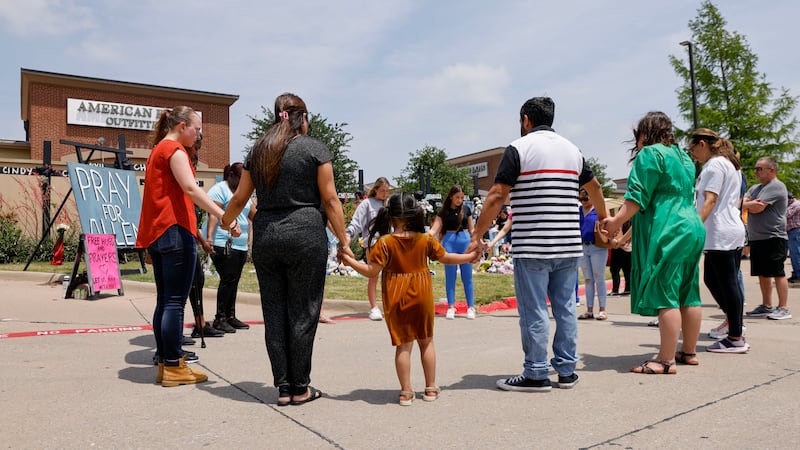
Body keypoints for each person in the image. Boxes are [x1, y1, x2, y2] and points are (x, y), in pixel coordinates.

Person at [468, 96, 608, 391]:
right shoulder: (573, 150)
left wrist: (477, 235)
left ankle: (536, 372)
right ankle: (567, 370)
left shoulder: (519, 149)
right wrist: (604, 220)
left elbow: (495, 195)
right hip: (568, 245)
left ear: (526, 120)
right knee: (566, 307)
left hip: (533, 245)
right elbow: (594, 187)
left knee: (535, 310)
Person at [221, 93, 351, 406]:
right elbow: (331, 200)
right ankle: (300, 387)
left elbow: (239, 199)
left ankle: (283, 388)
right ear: (301, 117)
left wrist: (226, 222)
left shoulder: (259, 150)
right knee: (304, 311)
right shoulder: (314, 148)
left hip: (267, 236)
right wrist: (344, 241)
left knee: (275, 312)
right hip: (306, 233)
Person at [339, 192, 478, 405]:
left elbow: (370, 271)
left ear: (390, 215)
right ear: (415, 214)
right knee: (426, 341)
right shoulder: (425, 240)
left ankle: (406, 392)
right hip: (421, 292)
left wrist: (349, 261)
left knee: (403, 345)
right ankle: (430, 388)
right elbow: (446, 258)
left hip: (396, 295)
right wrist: (469, 257)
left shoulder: (384, 243)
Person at [136, 106, 240, 387]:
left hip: (159, 233)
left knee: (165, 300)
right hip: (173, 232)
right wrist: (225, 217)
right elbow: (192, 190)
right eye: (196, 129)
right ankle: (173, 365)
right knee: (173, 302)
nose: (199, 134)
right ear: (182, 126)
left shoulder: (159, 149)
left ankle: (167, 363)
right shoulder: (175, 150)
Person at [602, 111, 704, 375]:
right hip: (691, 225)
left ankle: (665, 360)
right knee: (688, 292)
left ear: (645, 133)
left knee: (665, 293)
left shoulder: (650, 154)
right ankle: (688, 351)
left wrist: (614, 223)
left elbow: (637, 198)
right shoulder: (685, 157)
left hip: (667, 228)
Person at [689, 129, 748, 354]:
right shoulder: (730, 164)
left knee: (726, 282)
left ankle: (735, 336)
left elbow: (710, 200)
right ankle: (734, 325)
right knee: (716, 279)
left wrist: (694, 226)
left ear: (702, 144)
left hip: (720, 231)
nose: (693, 154)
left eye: (693, 149)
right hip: (730, 228)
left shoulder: (714, 166)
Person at [206, 163, 256, 334]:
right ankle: (219, 318)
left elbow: (253, 214)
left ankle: (230, 316)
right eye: (242, 178)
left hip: (240, 245)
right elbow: (213, 213)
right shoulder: (220, 189)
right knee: (227, 279)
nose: (244, 182)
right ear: (232, 176)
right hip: (223, 243)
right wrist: (209, 238)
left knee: (233, 281)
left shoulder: (244, 194)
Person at [743, 157, 791, 320]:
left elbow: (757, 208)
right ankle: (766, 305)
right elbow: (743, 201)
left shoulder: (776, 186)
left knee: (777, 272)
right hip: (757, 238)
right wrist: (747, 203)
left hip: (773, 236)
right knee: (762, 273)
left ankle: (783, 307)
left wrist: (747, 204)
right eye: (755, 168)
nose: (755, 171)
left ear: (772, 170)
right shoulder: (756, 187)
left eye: (759, 169)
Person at [344, 177, 391, 321]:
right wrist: (347, 238)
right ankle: (374, 307)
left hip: (390, 244)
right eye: (382, 190)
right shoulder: (367, 204)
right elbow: (356, 223)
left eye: (387, 191)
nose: (385, 193)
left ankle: (390, 306)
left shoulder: (389, 204)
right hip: (373, 243)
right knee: (373, 276)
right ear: (375, 189)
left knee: (392, 277)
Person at [429, 185, 476, 320]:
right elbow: (434, 230)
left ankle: (471, 307)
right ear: (451, 196)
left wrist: (478, 241)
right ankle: (451, 306)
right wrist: (425, 237)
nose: (460, 200)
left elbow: (472, 229)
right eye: (457, 197)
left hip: (465, 241)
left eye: (462, 197)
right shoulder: (443, 212)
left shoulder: (467, 209)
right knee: (450, 276)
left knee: (467, 276)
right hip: (449, 242)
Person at [577, 189, 609, 321]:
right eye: (581, 199)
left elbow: (608, 224)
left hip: (597, 247)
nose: (583, 202)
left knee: (599, 277)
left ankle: (602, 310)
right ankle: (589, 310)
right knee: (588, 279)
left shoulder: (599, 210)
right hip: (583, 246)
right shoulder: (579, 211)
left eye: (586, 199)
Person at [608, 220, 632, 296]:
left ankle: (615, 290)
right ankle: (628, 289)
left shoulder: (618, 224)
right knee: (627, 271)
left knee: (615, 270)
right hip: (629, 249)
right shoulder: (631, 224)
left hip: (618, 248)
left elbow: (616, 236)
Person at [786, 192, 800, 284]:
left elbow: (786, 215)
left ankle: (798, 275)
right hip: (792, 232)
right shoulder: (791, 204)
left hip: (795, 232)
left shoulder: (795, 204)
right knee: (794, 254)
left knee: (796, 254)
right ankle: (796, 273)